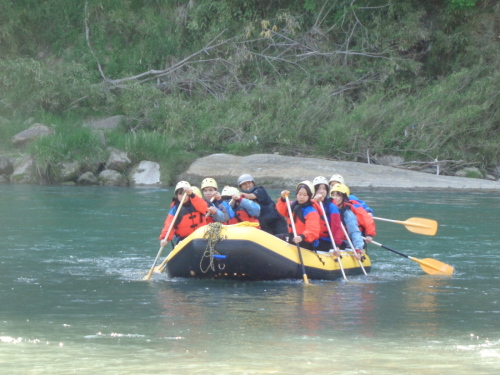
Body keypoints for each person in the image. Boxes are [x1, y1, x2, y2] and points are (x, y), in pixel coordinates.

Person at [159, 181, 208, 246]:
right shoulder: (175, 210)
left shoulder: (196, 203)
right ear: (177, 195)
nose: (183, 196)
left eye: (186, 194)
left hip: (200, 236)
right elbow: (168, 225)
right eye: (180, 194)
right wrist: (164, 238)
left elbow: (204, 208)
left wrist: (192, 195)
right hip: (183, 239)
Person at [276, 180, 321, 250]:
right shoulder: (292, 205)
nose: (302, 197)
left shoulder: (311, 211)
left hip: (304, 241)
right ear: (296, 194)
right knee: (276, 238)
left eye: (305, 195)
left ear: (310, 196)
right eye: (300, 194)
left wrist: (302, 237)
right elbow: (282, 210)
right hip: (292, 237)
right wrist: (283, 199)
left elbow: (313, 230)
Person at [330, 183, 370, 259]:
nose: (335, 198)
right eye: (333, 195)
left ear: (344, 198)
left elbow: (354, 232)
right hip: (330, 240)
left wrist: (358, 248)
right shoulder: (326, 209)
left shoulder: (348, 214)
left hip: (344, 243)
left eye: (338, 195)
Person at [312, 176, 343, 253]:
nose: (321, 191)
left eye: (324, 189)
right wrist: (314, 202)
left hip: (325, 240)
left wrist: (337, 245)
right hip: (308, 238)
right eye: (319, 188)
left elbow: (336, 227)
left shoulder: (332, 206)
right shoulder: (308, 204)